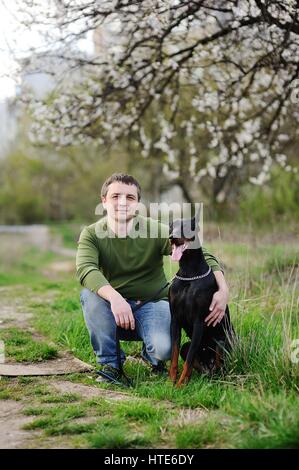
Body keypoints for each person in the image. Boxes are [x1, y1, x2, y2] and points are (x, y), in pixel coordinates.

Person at [76, 173, 229, 383]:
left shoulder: (154, 230)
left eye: (130, 197)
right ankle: (110, 364)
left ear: (138, 204)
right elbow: (86, 269)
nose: (122, 202)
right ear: (104, 201)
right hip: (112, 309)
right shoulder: (92, 234)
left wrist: (223, 289)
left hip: (151, 305)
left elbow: (200, 251)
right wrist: (115, 298)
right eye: (115, 196)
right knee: (89, 296)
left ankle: (151, 355)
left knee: (164, 349)